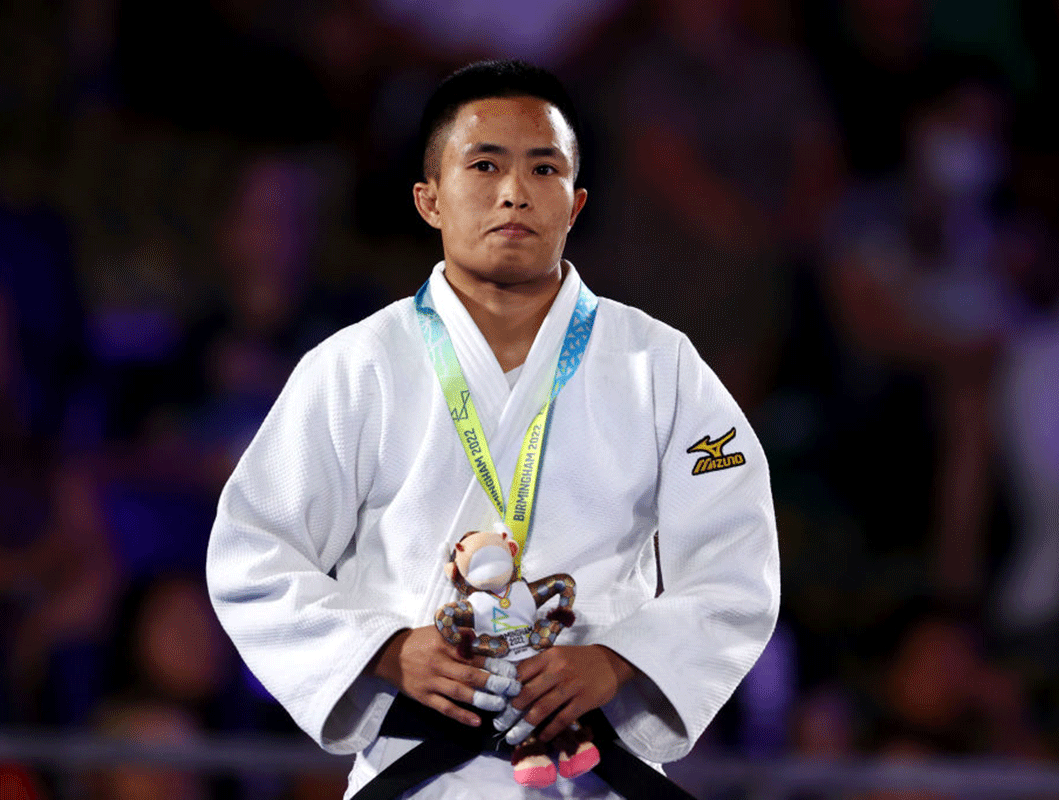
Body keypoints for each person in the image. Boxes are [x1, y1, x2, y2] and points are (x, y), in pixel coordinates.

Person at [206, 59, 779, 799]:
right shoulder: (353, 367)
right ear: (430, 198)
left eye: (543, 168)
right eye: (485, 164)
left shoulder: (660, 366)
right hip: (418, 776)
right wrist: (384, 650)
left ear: (574, 204)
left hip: (593, 775)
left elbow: (738, 560)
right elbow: (252, 552)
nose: (514, 192)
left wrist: (618, 660)